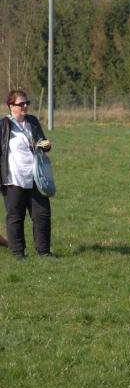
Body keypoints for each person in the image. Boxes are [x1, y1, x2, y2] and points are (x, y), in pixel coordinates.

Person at [0, 89, 53, 260]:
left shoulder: (32, 122)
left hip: (36, 177)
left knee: (42, 214)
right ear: (11, 106)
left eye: (26, 103)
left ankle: (44, 252)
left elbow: (41, 142)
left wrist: (46, 145)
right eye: (20, 104)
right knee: (16, 217)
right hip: (13, 179)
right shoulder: (3, 125)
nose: (24, 106)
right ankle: (18, 253)